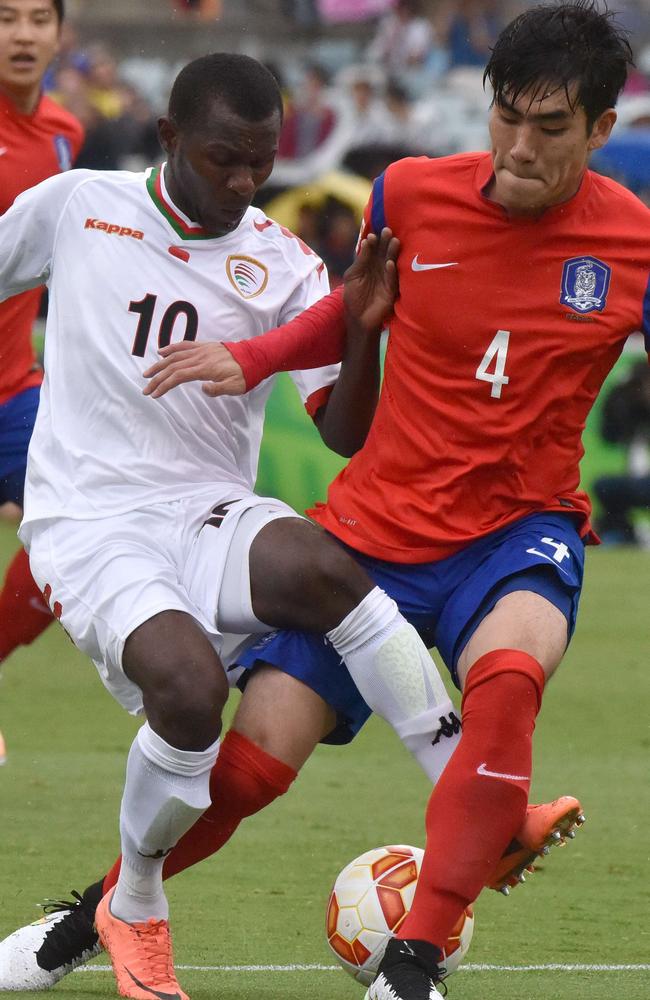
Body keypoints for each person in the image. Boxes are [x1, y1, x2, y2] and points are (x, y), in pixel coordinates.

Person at [0, 45, 585, 999]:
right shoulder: (79, 205)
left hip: (205, 506)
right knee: (189, 695)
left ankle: (466, 793)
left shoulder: (277, 259)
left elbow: (345, 432)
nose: (243, 182)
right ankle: (134, 904)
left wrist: (359, 323)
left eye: (260, 162)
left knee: (327, 571)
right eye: (223, 158)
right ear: (168, 136)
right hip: (90, 518)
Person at [0, 0, 84, 761]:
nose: (22, 35)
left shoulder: (65, 133)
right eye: (4, 18)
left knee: (69, 532)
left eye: (36, 19)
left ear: (62, 33)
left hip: (18, 386)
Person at [593, 360, 650, 545]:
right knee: (604, 486)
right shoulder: (629, 407)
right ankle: (622, 532)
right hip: (636, 480)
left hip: (642, 483)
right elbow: (608, 433)